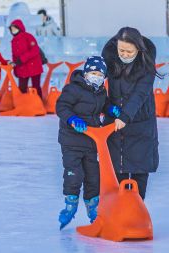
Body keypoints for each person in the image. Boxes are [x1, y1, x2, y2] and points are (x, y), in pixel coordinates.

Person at [102, 27, 161, 200]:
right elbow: (96, 80)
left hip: (140, 122)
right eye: (121, 50)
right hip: (115, 124)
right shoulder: (110, 59)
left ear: (138, 49)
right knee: (117, 169)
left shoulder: (146, 65)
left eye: (129, 51)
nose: (125, 54)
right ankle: (118, 212)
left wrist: (125, 116)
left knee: (139, 170)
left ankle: (136, 211)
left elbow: (140, 94)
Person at [56, 56, 108, 230]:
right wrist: (72, 119)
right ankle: (70, 206)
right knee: (74, 174)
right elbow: (61, 106)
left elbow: (104, 106)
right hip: (71, 141)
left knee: (94, 176)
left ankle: (93, 209)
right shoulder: (73, 89)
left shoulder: (101, 92)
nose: (97, 76)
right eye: (93, 72)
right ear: (86, 73)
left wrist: (111, 109)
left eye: (100, 74)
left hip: (92, 142)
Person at [9, 19, 44, 98]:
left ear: (20, 27)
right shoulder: (13, 41)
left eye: (14, 28)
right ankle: (24, 105)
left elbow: (35, 50)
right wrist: (15, 69)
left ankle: (39, 105)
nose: (13, 30)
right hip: (22, 68)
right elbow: (14, 56)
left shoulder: (28, 36)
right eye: (11, 29)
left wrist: (22, 59)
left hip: (34, 66)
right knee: (22, 89)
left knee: (36, 87)